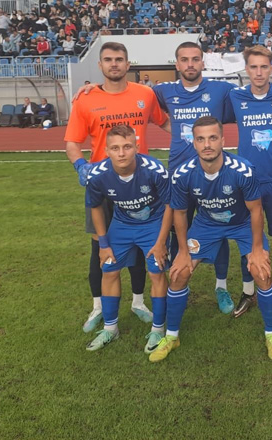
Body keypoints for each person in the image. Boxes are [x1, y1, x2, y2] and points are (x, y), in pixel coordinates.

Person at [148, 116, 272, 362]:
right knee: (178, 274)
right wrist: (183, 251)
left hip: (242, 224)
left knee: (262, 272)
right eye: (201, 139)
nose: (207, 144)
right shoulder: (183, 174)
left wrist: (256, 249)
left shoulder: (243, 170)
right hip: (207, 224)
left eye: (212, 138)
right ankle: (172, 336)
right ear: (194, 142)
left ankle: (271, 335)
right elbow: (180, 213)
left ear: (223, 140)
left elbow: (256, 210)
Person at [65, 41, 170, 333]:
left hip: (140, 184)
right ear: (100, 65)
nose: (114, 64)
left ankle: (138, 302)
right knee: (100, 246)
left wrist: (194, 138)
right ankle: (98, 307)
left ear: (128, 64)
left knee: (139, 248)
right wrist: (80, 166)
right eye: (109, 59)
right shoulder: (85, 99)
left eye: (119, 59)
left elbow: (166, 123)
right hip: (103, 184)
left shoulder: (145, 94)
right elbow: (72, 143)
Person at [151, 41, 239, 314]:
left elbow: (256, 92)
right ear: (177, 64)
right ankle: (179, 284)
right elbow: (130, 94)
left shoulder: (221, 89)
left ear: (203, 62)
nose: (190, 64)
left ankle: (221, 286)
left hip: (214, 173)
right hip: (179, 175)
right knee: (177, 230)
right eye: (184, 59)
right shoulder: (164, 91)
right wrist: (93, 88)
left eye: (195, 59)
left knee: (219, 227)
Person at [83, 125, 170, 354]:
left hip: (153, 224)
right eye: (115, 148)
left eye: (127, 147)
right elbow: (95, 207)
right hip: (122, 225)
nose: (121, 153)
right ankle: (110, 328)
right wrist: (103, 244)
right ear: (106, 150)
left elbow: (171, 205)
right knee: (109, 270)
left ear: (137, 147)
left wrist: (161, 242)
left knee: (157, 272)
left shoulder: (155, 170)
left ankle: (158, 328)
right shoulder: (97, 174)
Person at [226, 46, 272, 317]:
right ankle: (249, 292)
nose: (258, 72)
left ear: (271, 69)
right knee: (248, 240)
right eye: (253, 67)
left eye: (264, 67)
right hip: (246, 180)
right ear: (246, 69)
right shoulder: (235, 96)